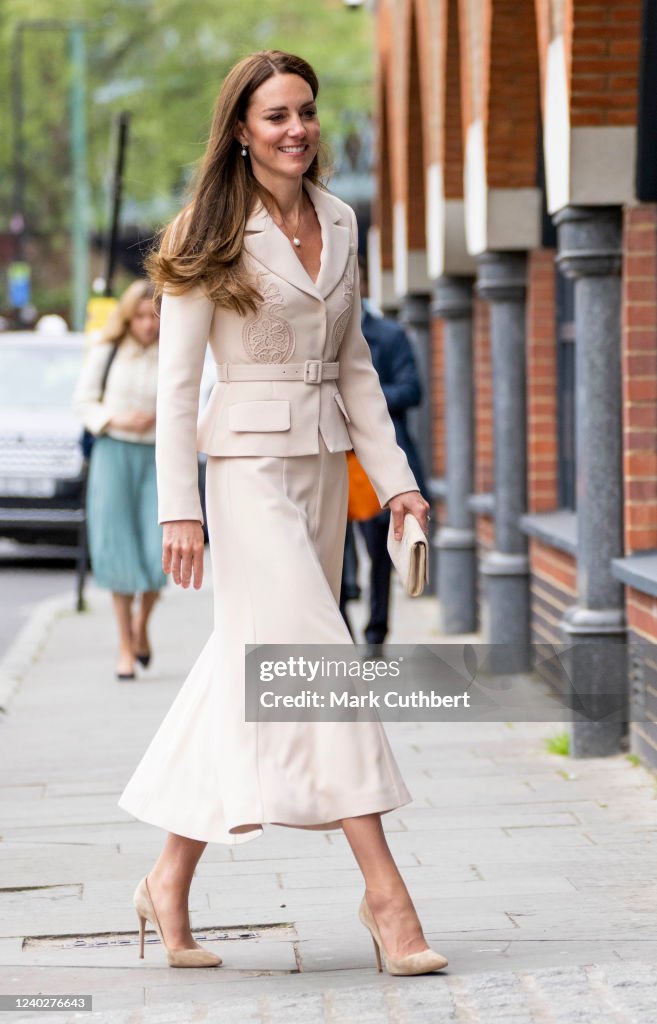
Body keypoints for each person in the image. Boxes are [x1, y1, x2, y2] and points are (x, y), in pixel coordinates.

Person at [116, 50, 447, 976]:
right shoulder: (204, 231)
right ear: (240, 130)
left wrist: (398, 482)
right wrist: (180, 510)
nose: (296, 128)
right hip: (246, 473)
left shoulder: (342, 221)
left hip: (321, 465)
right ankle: (388, 898)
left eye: (305, 111)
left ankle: (165, 883)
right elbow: (178, 390)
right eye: (275, 116)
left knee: (250, 668)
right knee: (318, 661)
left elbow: (355, 370)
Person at [73, 280, 166, 680]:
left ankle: (140, 624)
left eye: (154, 316)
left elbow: (191, 400)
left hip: (158, 457)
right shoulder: (107, 351)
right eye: (140, 316)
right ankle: (125, 646)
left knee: (157, 549)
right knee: (118, 547)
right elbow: (83, 401)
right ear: (128, 317)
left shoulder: (173, 353)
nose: (148, 325)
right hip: (114, 453)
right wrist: (115, 419)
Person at [340, 256, 428, 657]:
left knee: (380, 555)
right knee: (333, 558)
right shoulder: (314, 335)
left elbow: (412, 390)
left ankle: (377, 636)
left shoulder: (390, 335)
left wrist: (362, 404)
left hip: (376, 465)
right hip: (333, 461)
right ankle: (341, 634)